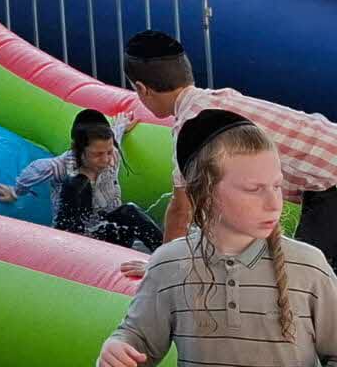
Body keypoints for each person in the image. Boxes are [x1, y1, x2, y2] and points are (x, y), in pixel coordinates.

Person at [98, 111, 337, 367]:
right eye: (254, 189)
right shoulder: (169, 265)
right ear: (206, 193)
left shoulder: (308, 267)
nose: (274, 203)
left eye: (276, 186)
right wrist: (116, 350)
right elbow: (138, 341)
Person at [124, 29, 337, 267]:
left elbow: (181, 210)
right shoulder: (222, 97)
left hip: (331, 184)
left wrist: (160, 267)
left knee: (303, 272)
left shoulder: (193, 124)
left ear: (142, 89)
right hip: (328, 165)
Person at [0, 108, 161, 250]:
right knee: (78, 183)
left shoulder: (111, 155)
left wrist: (119, 127)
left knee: (129, 211)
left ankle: (165, 254)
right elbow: (32, 172)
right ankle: (76, 246)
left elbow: (113, 139)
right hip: (72, 237)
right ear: (77, 149)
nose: (105, 160)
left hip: (111, 230)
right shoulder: (58, 166)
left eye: (108, 152)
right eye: (97, 155)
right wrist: (15, 192)